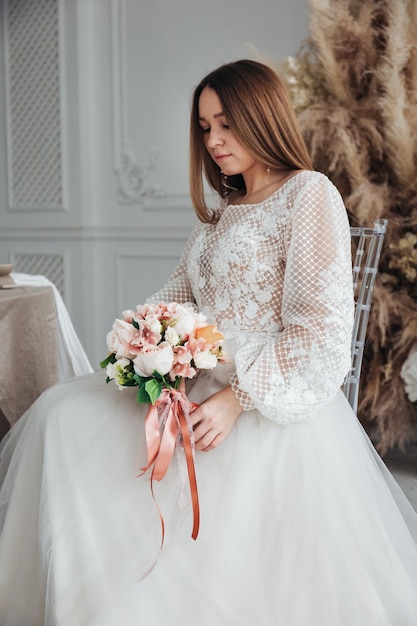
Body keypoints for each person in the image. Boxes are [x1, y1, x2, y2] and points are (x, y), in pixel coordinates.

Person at [1, 59, 417, 626]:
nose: (214, 140)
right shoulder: (219, 215)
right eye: (204, 128)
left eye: (226, 123)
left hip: (262, 394)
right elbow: (173, 299)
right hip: (193, 374)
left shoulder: (308, 195)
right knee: (60, 414)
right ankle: (84, 601)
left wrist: (236, 400)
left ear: (261, 117)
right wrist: (145, 344)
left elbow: (317, 329)